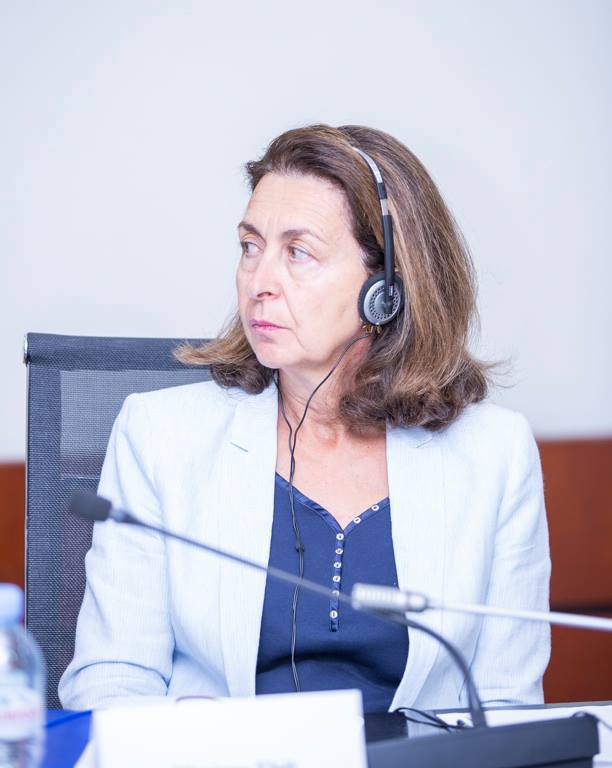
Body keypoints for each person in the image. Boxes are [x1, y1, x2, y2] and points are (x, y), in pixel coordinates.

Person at [58, 123, 550, 714]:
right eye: (250, 247)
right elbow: (112, 680)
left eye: (298, 252)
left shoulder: (495, 453)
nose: (259, 283)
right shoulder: (161, 437)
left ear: (385, 288)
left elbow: (505, 704)